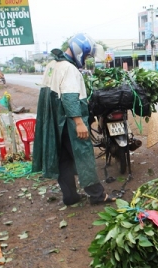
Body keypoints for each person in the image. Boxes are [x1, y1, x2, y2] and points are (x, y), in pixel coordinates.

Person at [31, 33, 113, 206]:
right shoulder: (69, 68)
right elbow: (69, 98)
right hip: (69, 122)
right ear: (80, 51)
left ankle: (70, 197)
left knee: (63, 159)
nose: (86, 59)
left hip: (55, 122)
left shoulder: (53, 64)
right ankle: (97, 196)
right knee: (83, 157)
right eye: (87, 55)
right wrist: (79, 122)